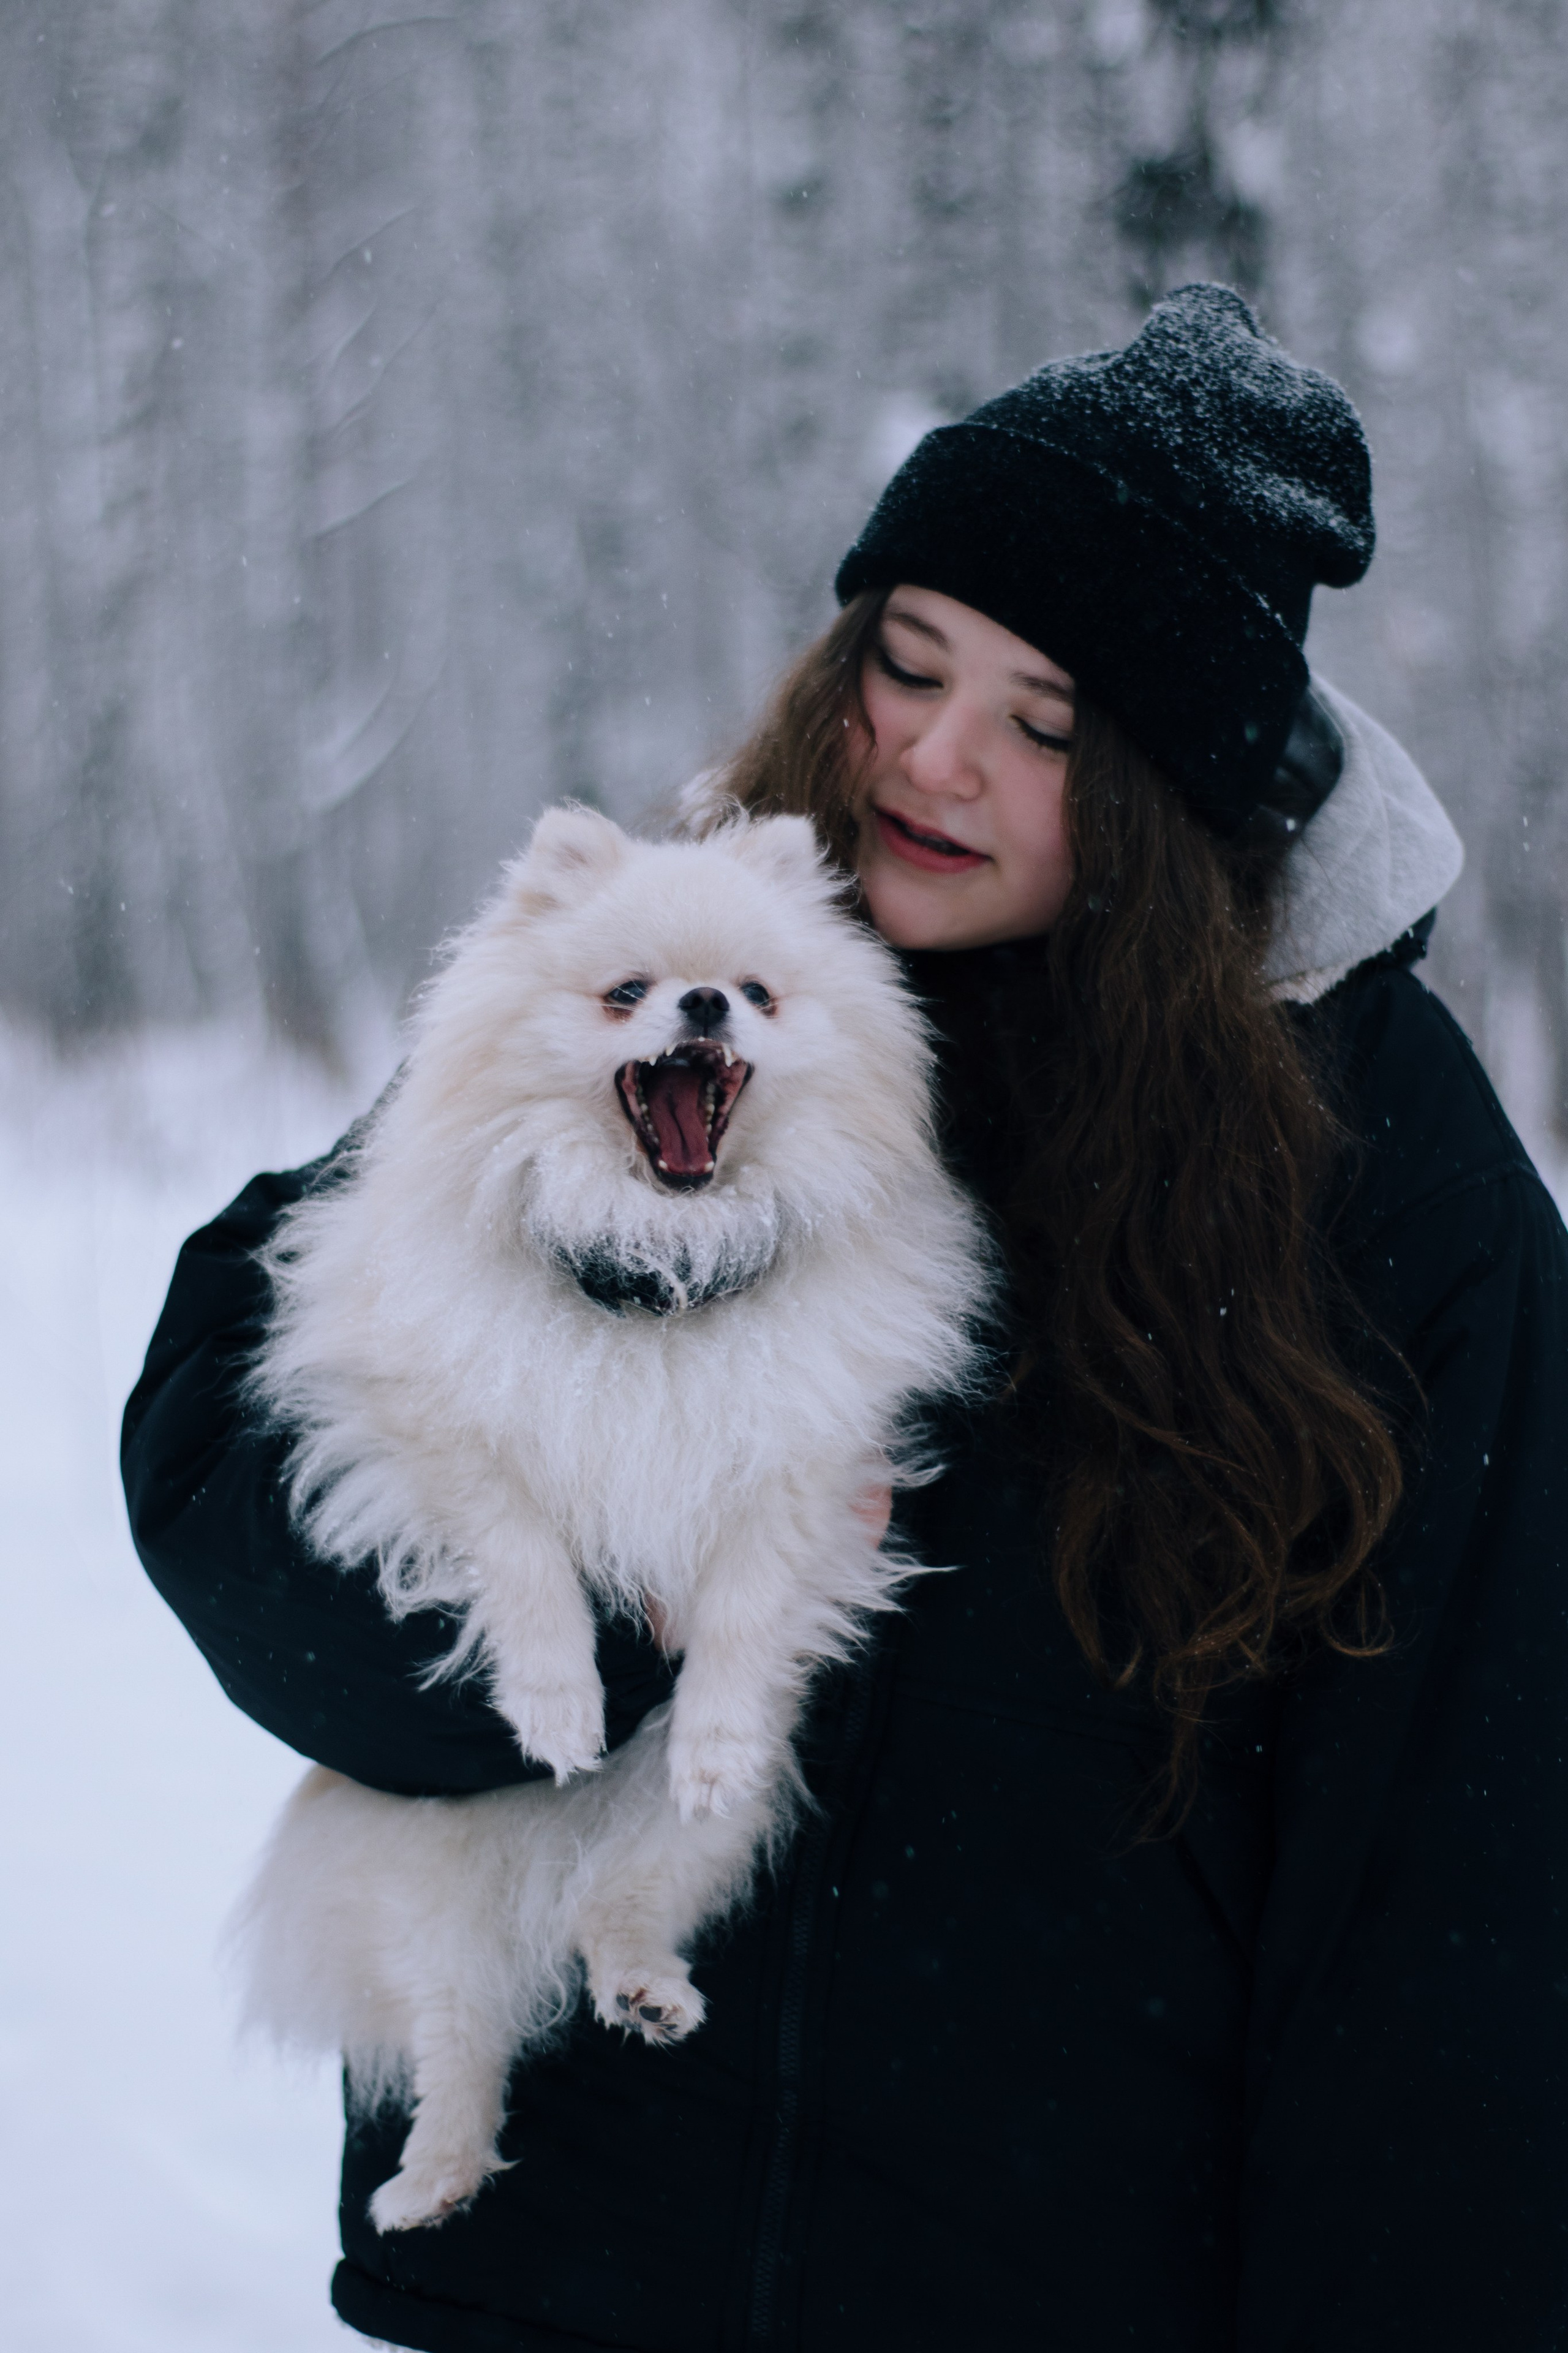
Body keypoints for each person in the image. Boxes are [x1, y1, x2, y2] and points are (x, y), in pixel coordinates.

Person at [123, 285, 1568, 2352]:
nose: (935, 757)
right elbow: (229, 1472)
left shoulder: (1390, 1179)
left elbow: (1462, 1926)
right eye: (907, 662)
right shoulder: (677, 958)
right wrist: (630, 1599)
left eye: (1048, 722)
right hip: (553, 2267)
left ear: (1182, 792)